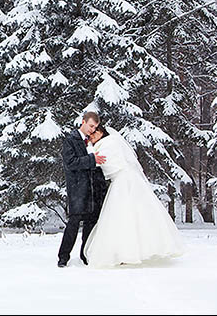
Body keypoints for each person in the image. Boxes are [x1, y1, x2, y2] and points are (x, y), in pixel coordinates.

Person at [83, 124, 185, 268]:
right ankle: (126, 250)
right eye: (90, 135)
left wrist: (90, 151)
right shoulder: (108, 143)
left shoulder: (109, 143)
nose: (92, 137)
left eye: (95, 133)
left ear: (101, 132)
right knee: (128, 215)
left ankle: (130, 251)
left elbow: (106, 162)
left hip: (124, 181)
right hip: (122, 180)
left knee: (127, 214)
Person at [57, 111, 108, 267]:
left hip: (94, 190)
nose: (93, 129)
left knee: (90, 224)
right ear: (83, 122)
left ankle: (85, 255)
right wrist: (92, 159)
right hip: (78, 188)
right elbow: (71, 163)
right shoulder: (70, 140)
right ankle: (63, 256)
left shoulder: (95, 141)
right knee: (73, 223)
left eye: (95, 127)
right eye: (91, 126)